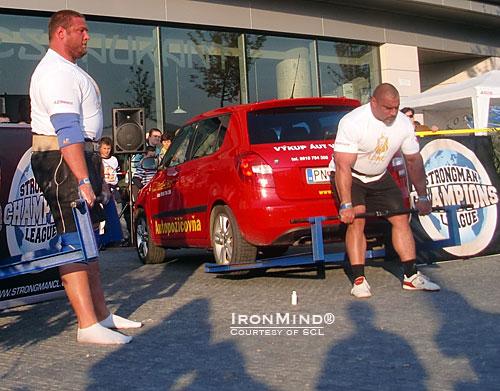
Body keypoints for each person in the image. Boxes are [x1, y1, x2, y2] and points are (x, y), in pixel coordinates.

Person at [29, 9, 141, 344]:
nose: (87, 36)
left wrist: (96, 177)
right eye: (81, 30)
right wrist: (81, 178)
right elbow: (66, 130)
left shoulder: (72, 71)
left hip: (83, 157)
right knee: (74, 239)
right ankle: (86, 324)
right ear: (60, 33)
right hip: (63, 160)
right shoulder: (54, 72)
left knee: (89, 240)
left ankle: (102, 315)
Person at [332, 83, 440, 298]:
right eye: (387, 108)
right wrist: (346, 205)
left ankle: (411, 276)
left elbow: (413, 161)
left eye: (396, 108)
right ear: (373, 102)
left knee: (401, 219)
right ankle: (359, 280)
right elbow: (342, 166)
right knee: (357, 221)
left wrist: (423, 196)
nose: (393, 113)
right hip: (352, 176)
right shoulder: (353, 122)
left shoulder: (403, 124)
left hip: (380, 176)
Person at [99, 136, 130, 246]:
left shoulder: (114, 160)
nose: (107, 151)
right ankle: (102, 240)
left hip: (114, 189)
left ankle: (124, 237)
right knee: (102, 217)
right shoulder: (98, 160)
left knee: (119, 214)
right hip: (102, 189)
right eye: (104, 148)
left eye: (108, 148)